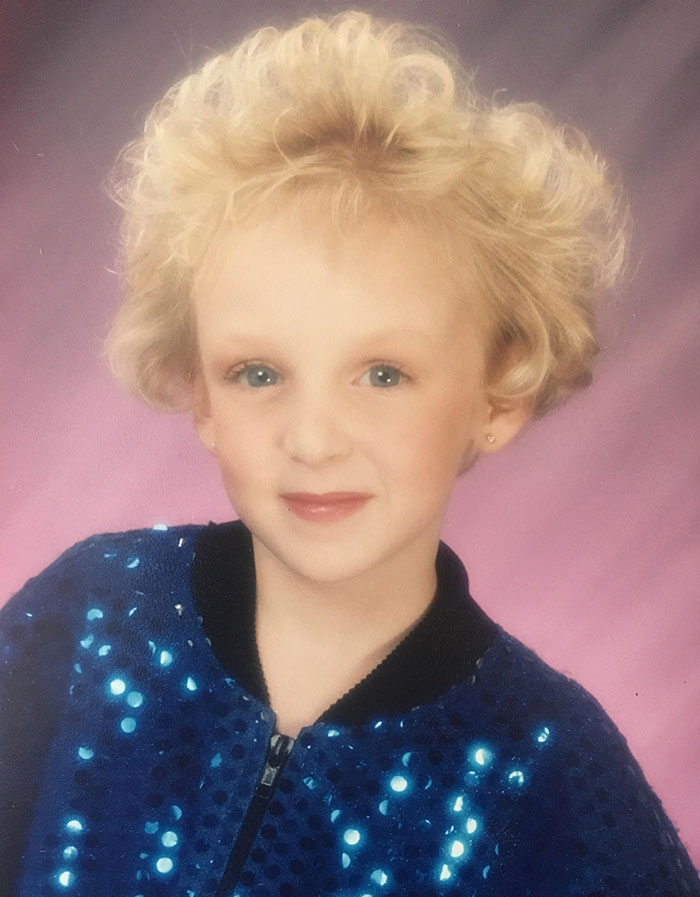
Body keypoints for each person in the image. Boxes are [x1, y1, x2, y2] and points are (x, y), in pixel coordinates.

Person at [1, 10, 698, 897]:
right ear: (199, 391)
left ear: (498, 393)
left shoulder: (557, 774)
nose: (314, 439)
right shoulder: (93, 615)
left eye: (382, 373)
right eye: (258, 372)